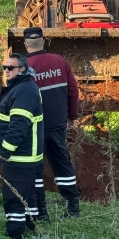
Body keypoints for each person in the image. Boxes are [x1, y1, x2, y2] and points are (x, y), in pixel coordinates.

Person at [23, 26, 80, 220]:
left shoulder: (24, 67)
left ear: (25, 44)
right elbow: (73, 91)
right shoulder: (59, 61)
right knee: (62, 163)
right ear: (44, 41)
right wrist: (72, 116)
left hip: (34, 127)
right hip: (57, 123)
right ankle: (73, 207)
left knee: (35, 167)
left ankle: (41, 212)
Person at [0, 53, 44, 239]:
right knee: (27, 191)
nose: (6, 71)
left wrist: (6, 150)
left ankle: (15, 234)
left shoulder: (24, 91)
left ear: (22, 70)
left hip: (20, 156)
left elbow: (19, 124)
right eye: (5, 67)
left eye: (11, 68)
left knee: (13, 194)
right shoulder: (22, 88)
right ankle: (31, 223)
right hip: (26, 155)